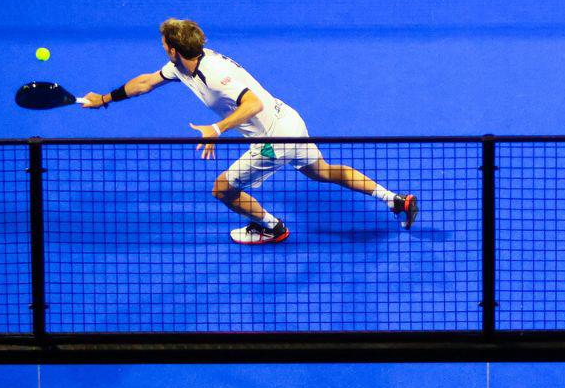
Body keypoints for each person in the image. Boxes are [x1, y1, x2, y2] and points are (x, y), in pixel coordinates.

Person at [80, 18, 418, 244]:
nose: (162, 46)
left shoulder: (215, 75)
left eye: (163, 42)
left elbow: (252, 103)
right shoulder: (182, 65)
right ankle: (396, 200)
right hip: (288, 118)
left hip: (272, 139)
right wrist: (105, 98)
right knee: (322, 172)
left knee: (221, 189)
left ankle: (271, 228)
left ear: (172, 48)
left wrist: (217, 127)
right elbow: (145, 82)